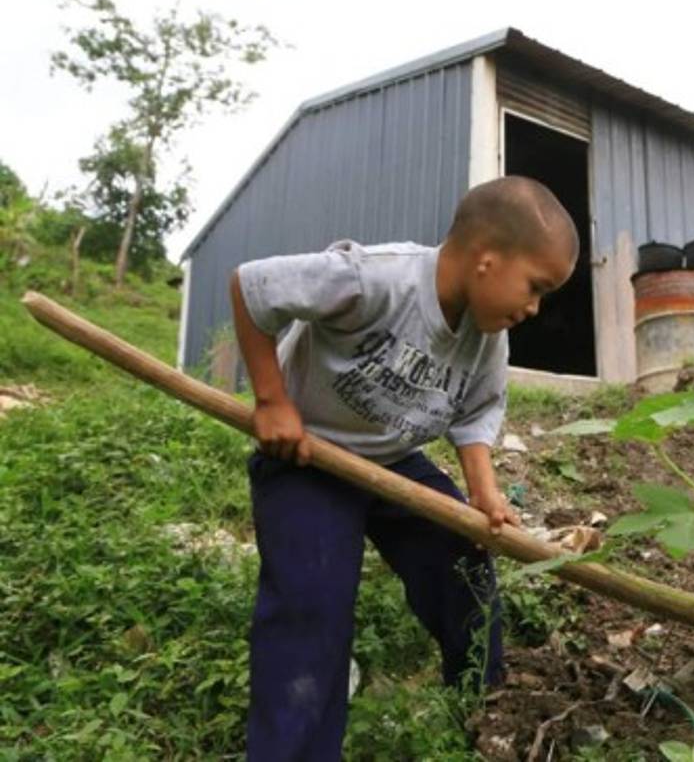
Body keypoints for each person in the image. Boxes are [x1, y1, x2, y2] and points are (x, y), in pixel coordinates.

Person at [229, 176, 578, 760]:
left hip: (393, 464)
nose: (534, 308)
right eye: (536, 287)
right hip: (307, 458)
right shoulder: (375, 279)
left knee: (465, 565)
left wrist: (484, 498)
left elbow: (476, 414)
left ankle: (481, 710)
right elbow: (252, 286)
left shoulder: (487, 337)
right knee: (311, 604)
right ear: (486, 261)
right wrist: (271, 400)